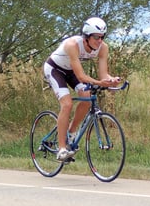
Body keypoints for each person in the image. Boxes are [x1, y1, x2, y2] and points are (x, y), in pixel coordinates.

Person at [43, 17, 121, 161]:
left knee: (87, 99)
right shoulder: (73, 45)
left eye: (102, 37)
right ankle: (61, 149)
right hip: (55, 69)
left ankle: (71, 134)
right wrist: (100, 83)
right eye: (96, 37)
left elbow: (103, 74)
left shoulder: (103, 47)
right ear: (86, 37)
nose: (100, 40)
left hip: (71, 71)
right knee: (67, 104)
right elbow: (81, 76)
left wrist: (110, 80)